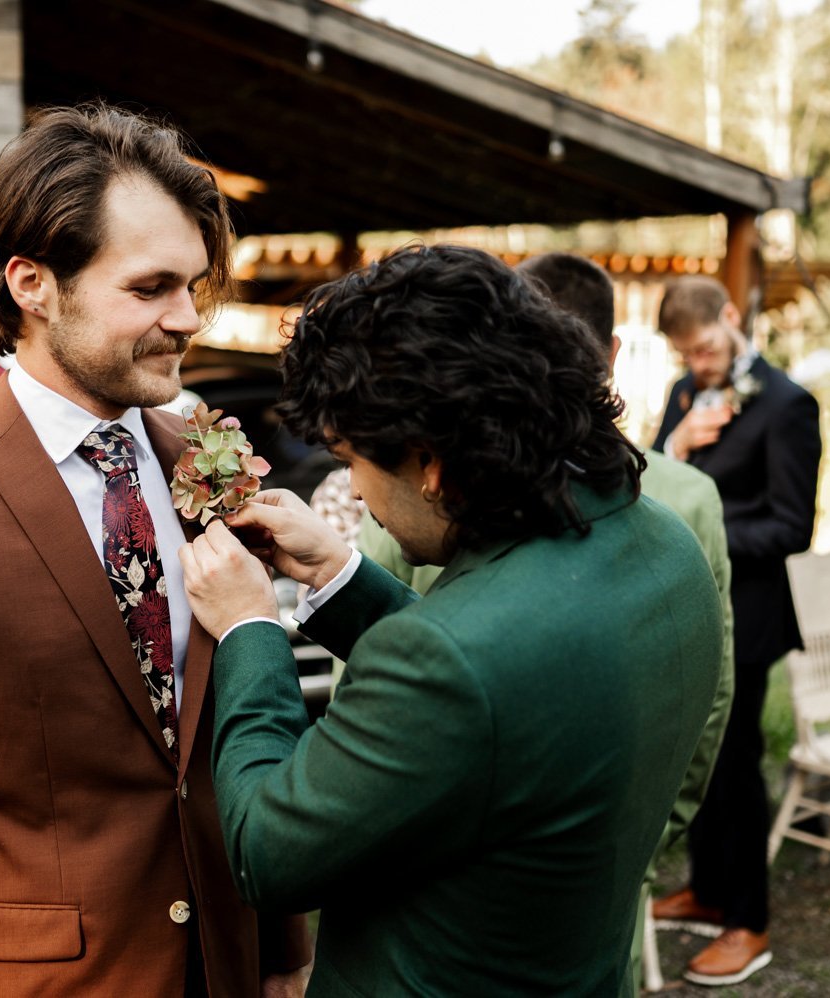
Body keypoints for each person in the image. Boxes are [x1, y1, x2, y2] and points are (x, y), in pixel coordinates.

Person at [0, 104, 311, 997]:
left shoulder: (200, 463)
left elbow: (230, 737)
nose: (188, 318)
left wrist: (283, 954)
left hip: (227, 964)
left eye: (196, 286)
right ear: (32, 284)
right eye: (151, 288)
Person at [180, 244, 723, 995]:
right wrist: (342, 575)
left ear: (431, 462)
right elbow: (508, 693)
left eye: (352, 459)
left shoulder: (449, 661)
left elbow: (265, 852)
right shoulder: (665, 544)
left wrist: (250, 627)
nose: (359, 495)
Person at [517, 251, 736, 988]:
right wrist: (651, 829)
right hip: (614, 843)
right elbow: (707, 693)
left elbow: (364, 684)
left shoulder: (419, 489)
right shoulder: (691, 498)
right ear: (613, 352)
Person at [649, 274, 822, 986]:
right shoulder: (684, 396)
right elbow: (654, 473)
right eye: (686, 355)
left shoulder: (788, 405)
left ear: (730, 318)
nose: (699, 364)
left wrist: (708, 533)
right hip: (691, 608)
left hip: (749, 616)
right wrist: (678, 440)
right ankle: (707, 887)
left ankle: (749, 921)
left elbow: (792, 525)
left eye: (707, 348)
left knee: (738, 764)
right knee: (700, 756)